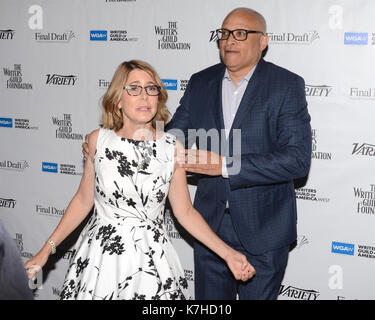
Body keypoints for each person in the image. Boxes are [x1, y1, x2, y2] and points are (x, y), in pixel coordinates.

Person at [83, 8, 312, 300]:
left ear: (263, 41)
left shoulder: (286, 85)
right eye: (224, 33)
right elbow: (169, 139)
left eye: (241, 34)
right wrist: (109, 143)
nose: (229, 40)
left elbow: (297, 159)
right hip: (209, 226)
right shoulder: (201, 82)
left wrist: (226, 166)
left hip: (264, 229)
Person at [24, 59, 255, 300]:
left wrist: (228, 254)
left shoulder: (170, 147)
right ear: (117, 100)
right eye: (134, 88)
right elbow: (83, 202)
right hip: (100, 259)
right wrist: (45, 252)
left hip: (151, 260)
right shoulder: (98, 141)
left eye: (151, 88)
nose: (144, 96)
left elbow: (185, 212)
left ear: (159, 97)